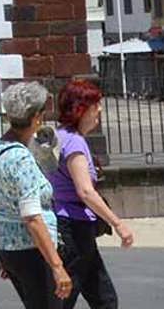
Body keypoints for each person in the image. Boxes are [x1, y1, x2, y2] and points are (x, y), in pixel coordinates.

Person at [48, 78, 133, 308]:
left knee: (103, 298)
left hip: (69, 224)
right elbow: (85, 191)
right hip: (74, 228)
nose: (100, 110)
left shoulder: (58, 136)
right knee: (72, 298)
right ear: (81, 109)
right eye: (96, 104)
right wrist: (118, 223)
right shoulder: (74, 143)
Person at [0, 81, 74, 307]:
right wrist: (57, 266)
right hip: (34, 250)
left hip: (11, 248)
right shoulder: (21, 159)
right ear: (36, 117)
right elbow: (32, 217)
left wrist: (4, 248)